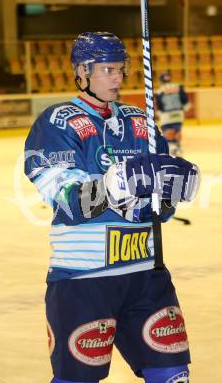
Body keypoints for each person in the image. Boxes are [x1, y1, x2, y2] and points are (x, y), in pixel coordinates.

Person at [24, 32, 200, 383]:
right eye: (107, 69)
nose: (117, 78)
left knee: (173, 375)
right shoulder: (57, 122)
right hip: (85, 278)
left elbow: (158, 211)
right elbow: (69, 202)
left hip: (147, 272)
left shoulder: (140, 121)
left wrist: (167, 194)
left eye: (120, 69)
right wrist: (116, 183)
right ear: (82, 71)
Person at [155, 72, 190, 156]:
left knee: (167, 133)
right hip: (178, 113)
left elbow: (159, 104)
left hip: (166, 115)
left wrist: (159, 113)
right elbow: (184, 99)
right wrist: (184, 108)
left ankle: (171, 149)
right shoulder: (178, 87)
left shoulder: (160, 90)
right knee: (177, 131)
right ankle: (178, 147)